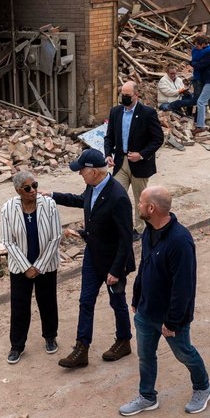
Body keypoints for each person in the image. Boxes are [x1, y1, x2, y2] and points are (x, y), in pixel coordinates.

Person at [119, 187, 210, 416]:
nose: (138, 206)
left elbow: (183, 287)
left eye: (141, 203)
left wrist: (172, 322)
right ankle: (147, 396)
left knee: (184, 353)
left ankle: (203, 387)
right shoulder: (149, 230)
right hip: (145, 311)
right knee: (146, 356)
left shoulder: (180, 241)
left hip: (170, 317)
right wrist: (136, 295)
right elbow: (144, 266)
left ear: (151, 208)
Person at [49, 148, 136, 369]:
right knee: (85, 301)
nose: (80, 174)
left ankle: (124, 340)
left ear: (95, 172)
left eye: (82, 171)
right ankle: (82, 348)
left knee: (117, 302)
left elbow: (126, 239)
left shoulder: (118, 197)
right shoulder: (92, 185)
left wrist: (116, 271)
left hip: (112, 261)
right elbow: (82, 200)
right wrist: (53, 196)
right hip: (92, 256)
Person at [0, 172, 63, 364]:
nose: (33, 191)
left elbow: (56, 236)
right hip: (20, 267)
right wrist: (27, 267)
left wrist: (40, 266)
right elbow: (8, 242)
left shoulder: (49, 205)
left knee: (48, 301)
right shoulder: (8, 209)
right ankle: (17, 346)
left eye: (35, 185)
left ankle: (50, 336)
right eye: (28, 188)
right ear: (19, 191)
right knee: (19, 306)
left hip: (46, 263)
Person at [105, 81, 165, 233]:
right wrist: (107, 154)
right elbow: (109, 136)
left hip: (140, 164)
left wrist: (142, 155)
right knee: (116, 196)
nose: (124, 98)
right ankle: (120, 227)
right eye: (122, 95)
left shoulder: (147, 113)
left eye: (127, 95)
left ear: (136, 95)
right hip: (120, 162)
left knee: (141, 199)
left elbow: (158, 138)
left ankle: (139, 230)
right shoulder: (116, 112)